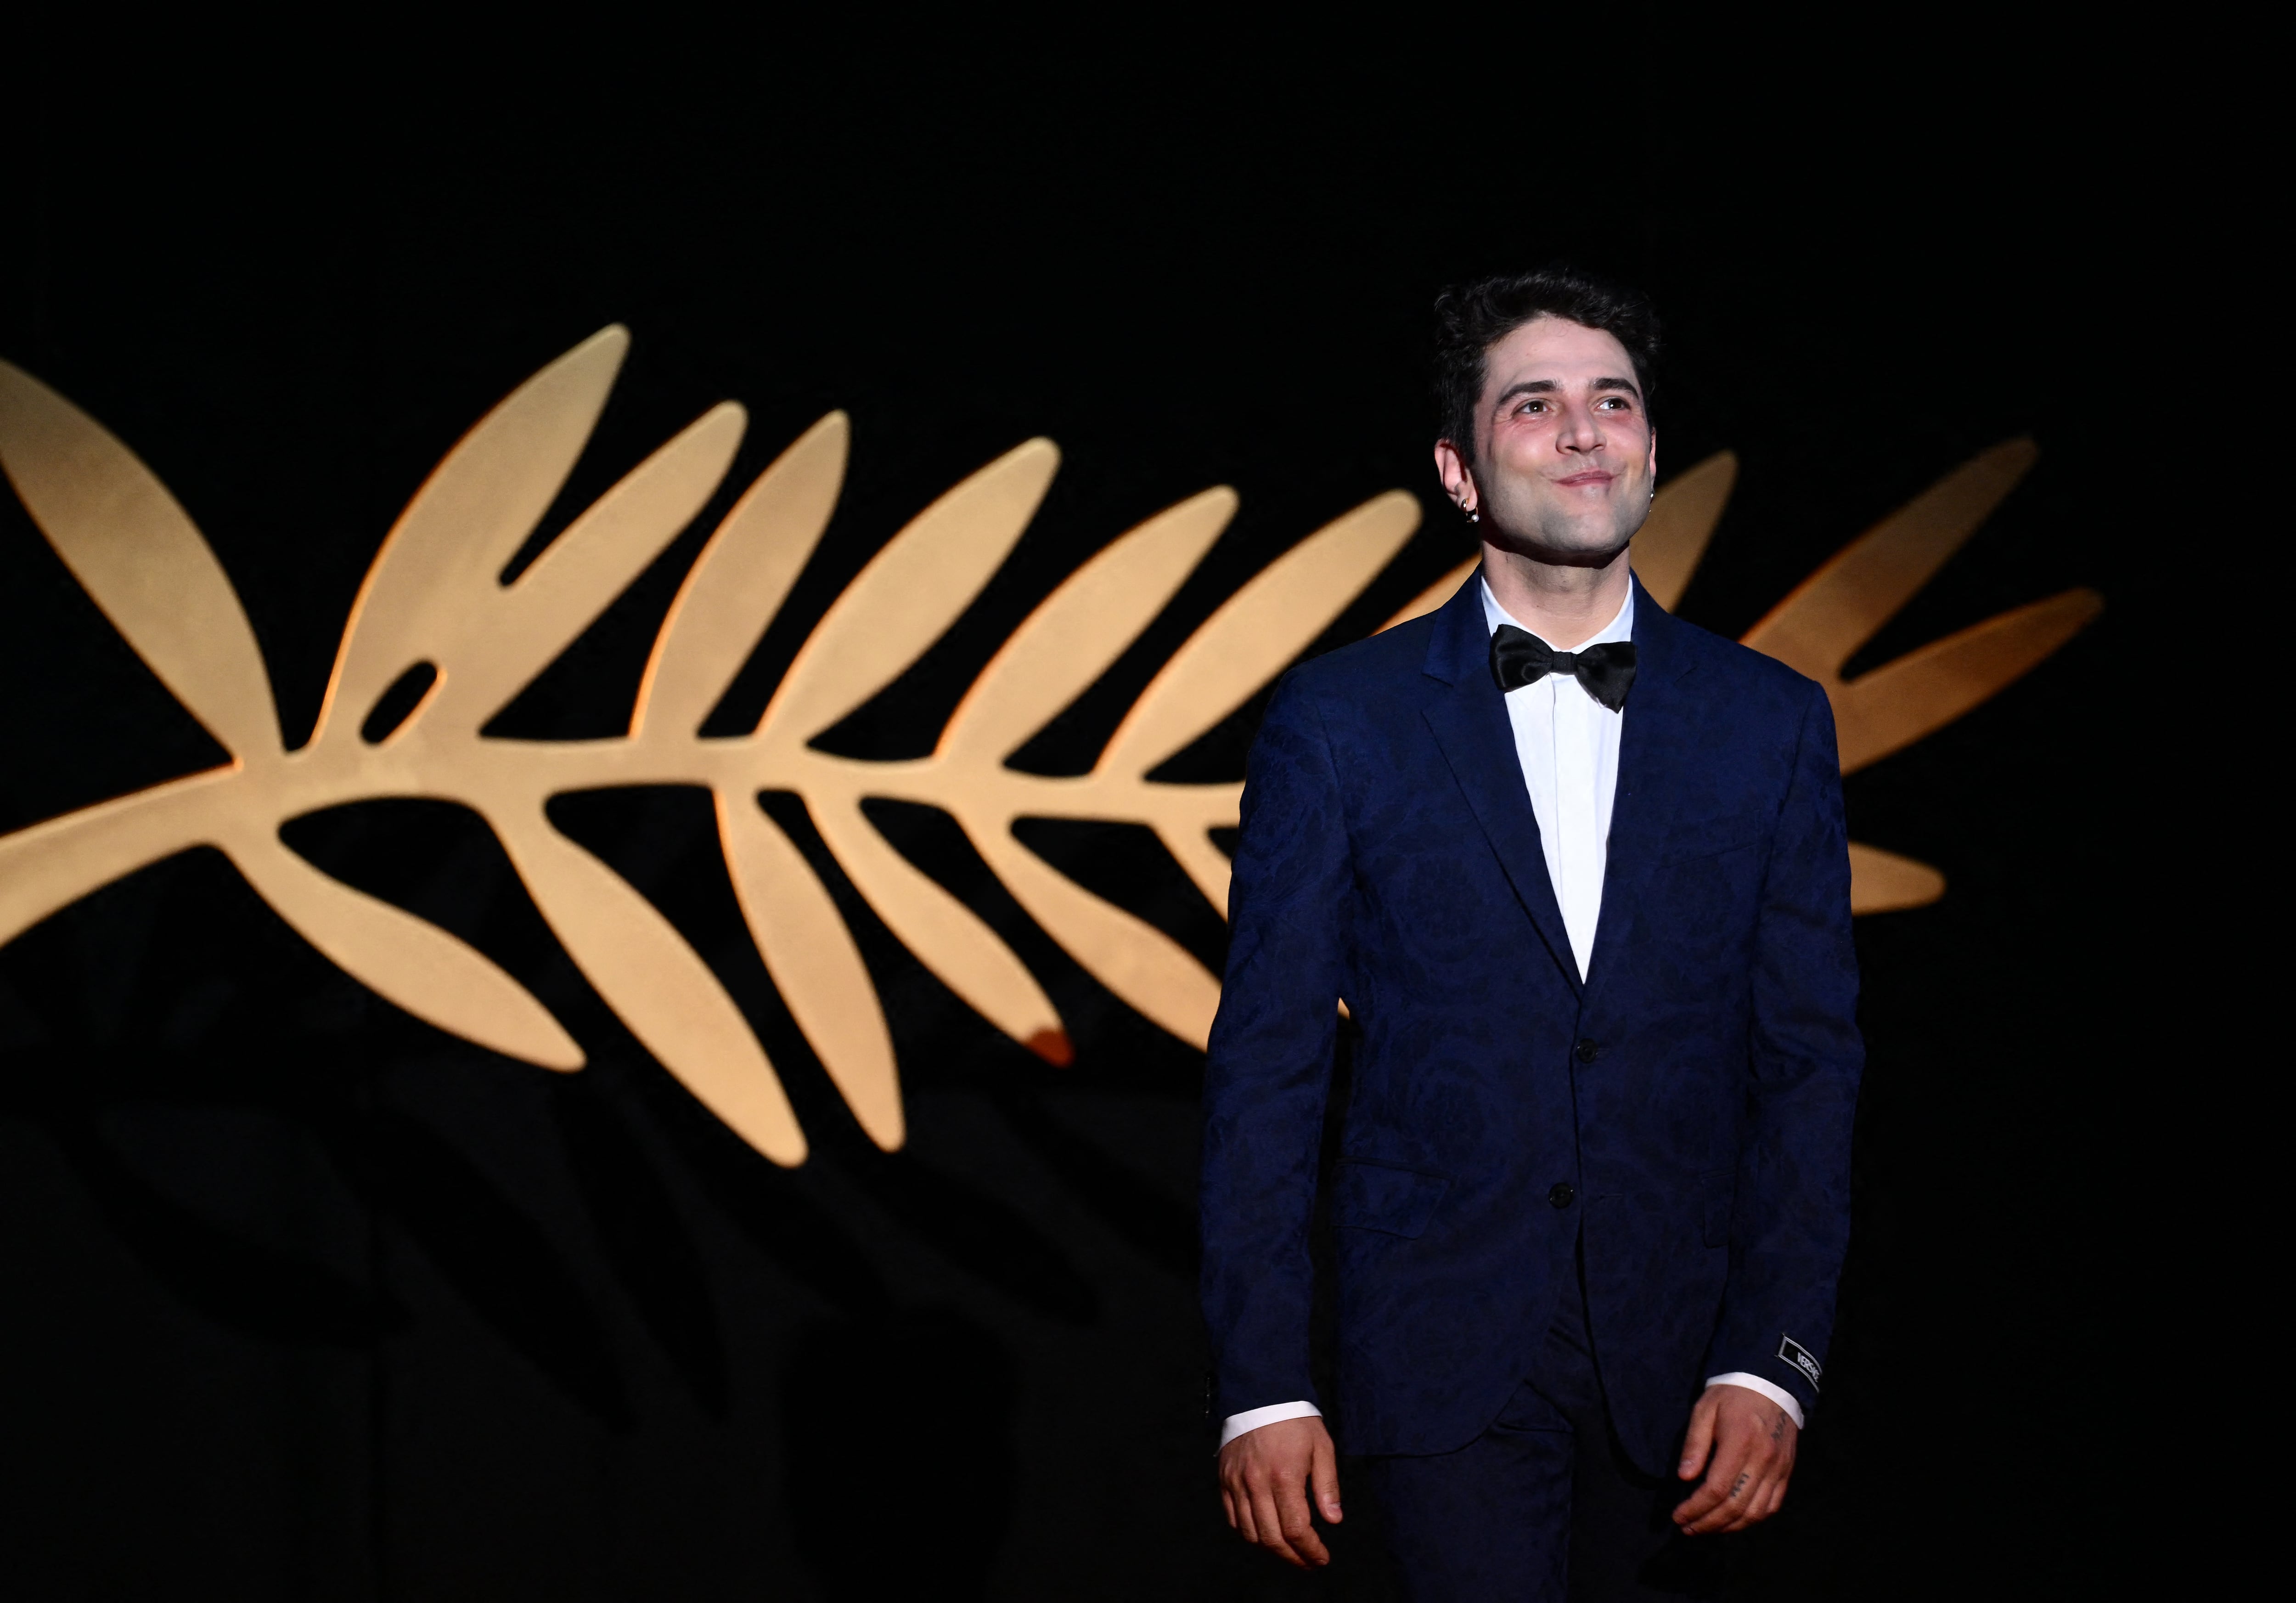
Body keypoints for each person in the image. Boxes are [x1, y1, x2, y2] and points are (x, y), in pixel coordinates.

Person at [1199, 267, 1862, 1600]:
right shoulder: (1340, 722)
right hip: (1438, 1367)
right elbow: (1268, 1068)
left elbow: (1808, 1062)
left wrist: (1771, 1358)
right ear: (1458, 467)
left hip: (1688, 1381)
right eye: (1536, 405)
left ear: (1654, 450)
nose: (1583, 432)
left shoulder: (1770, 721)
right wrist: (1261, 1382)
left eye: (1614, 401)